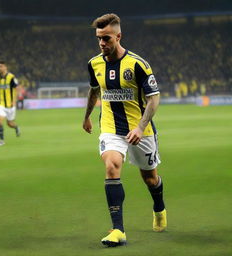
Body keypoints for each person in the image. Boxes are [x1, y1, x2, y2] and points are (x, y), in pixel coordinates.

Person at [83, 13, 167, 247]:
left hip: (140, 131)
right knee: (111, 166)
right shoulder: (94, 63)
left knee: (150, 178)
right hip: (110, 127)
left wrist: (141, 127)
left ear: (118, 36)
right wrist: (87, 116)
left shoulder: (138, 64)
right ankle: (118, 229)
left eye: (107, 38)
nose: (102, 43)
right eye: (99, 38)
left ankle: (159, 206)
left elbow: (154, 98)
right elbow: (94, 90)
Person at [0, 61, 20, 146]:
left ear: (5, 67)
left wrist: (14, 101)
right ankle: (1, 140)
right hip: (0, 104)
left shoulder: (11, 77)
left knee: (10, 123)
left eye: (1, 66)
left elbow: (16, 89)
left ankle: (16, 127)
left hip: (10, 104)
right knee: (0, 120)